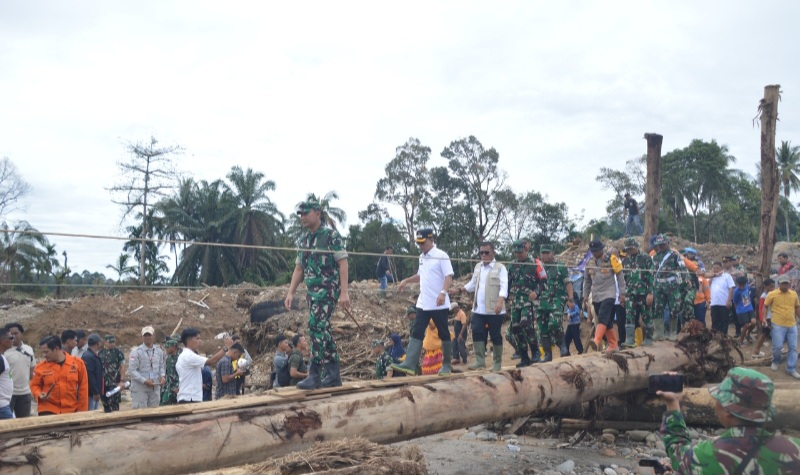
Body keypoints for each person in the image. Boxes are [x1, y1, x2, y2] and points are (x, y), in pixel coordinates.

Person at [658, 367, 800, 474]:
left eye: (719, 399)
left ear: (727, 410)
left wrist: (672, 403)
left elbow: (677, 452)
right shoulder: (795, 449)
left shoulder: (706, 455)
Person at [284, 197, 350, 390]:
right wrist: (290, 293)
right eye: (300, 214)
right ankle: (333, 374)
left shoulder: (330, 236)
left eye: (306, 213)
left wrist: (344, 292)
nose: (303, 217)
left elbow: (343, 262)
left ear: (318, 214)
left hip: (328, 290)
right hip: (312, 292)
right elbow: (299, 269)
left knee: (314, 327)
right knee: (323, 330)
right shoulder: (304, 240)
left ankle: (315, 374)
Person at [392, 228, 455, 375]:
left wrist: (443, 293)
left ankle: (446, 365)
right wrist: (406, 281)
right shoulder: (422, 257)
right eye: (419, 244)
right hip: (423, 303)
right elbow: (420, 276)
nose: (421, 246)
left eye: (423, 243)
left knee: (444, 333)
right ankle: (410, 363)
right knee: (417, 331)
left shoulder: (441, 255)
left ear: (431, 240)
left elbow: (448, 276)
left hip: (438, 304)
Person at [459, 242, 508, 370]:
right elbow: (472, 284)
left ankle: (497, 363)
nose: (484, 255)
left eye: (487, 252)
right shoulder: (478, 267)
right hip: (478, 310)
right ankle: (480, 361)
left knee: (495, 335)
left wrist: (500, 300)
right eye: (481, 253)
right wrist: (459, 290)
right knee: (477, 333)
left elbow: (504, 286)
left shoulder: (500, 267)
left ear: (493, 253)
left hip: (494, 310)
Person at [583, 240, 626, 352]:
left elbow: (620, 277)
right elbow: (587, 281)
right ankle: (613, 344)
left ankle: (596, 340)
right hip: (596, 295)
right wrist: (585, 296)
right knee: (606, 321)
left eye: (596, 251)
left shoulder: (612, 259)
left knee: (602, 316)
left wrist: (622, 294)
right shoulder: (589, 262)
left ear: (601, 249)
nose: (594, 253)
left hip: (609, 293)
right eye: (592, 251)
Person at [30, 335, 89, 415]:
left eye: (46, 352)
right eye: (43, 352)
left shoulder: (77, 364)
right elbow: (34, 385)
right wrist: (39, 394)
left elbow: (83, 389)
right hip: (48, 409)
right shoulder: (40, 368)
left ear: (57, 349)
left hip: (70, 410)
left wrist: (82, 413)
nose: (44, 355)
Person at [176, 328, 233, 403]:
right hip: (190, 398)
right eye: (197, 338)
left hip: (188, 397)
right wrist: (226, 348)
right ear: (189, 342)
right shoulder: (188, 356)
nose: (200, 341)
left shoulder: (185, 355)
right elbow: (211, 361)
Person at [538, 244, 573, 359]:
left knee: (554, 323)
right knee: (543, 328)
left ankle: (562, 345)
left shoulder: (560, 267)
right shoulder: (538, 267)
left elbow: (568, 283)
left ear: (552, 253)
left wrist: (570, 299)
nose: (545, 255)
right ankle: (548, 354)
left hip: (557, 299)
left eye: (547, 253)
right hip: (542, 301)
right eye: (543, 253)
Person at [763, 275, 800, 379]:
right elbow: (765, 307)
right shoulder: (772, 294)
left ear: (789, 284)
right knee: (777, 346)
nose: (784, 285)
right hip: (778, 324)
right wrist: (764, 318)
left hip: (792, 324)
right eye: (782, 283)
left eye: (786, 283)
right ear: (778, 284)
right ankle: (776, 361)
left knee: (793, 347)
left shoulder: (793, 294)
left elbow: (797, 307)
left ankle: (791, 368)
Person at [651, 234, 687, 340]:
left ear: (667, 243)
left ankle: (673, 332)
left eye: (662, 244)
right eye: (659, 244)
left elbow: (683, 268)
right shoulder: (655, 256)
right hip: (658, 285)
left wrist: (686, 278)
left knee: (674, 308)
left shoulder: (675, 255)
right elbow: (652, 271)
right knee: (657, 308)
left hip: (672, 285)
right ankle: (659, 333)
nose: (661, 246)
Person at [621, 238, 654, 346]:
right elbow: (622, 279)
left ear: (636, 247)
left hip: (643, 293)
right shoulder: (625, 261)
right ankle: (630, 339)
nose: (630, 250)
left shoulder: (646, 258)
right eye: (628, 249)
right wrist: (622, 294)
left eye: (631, 248)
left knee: (646, 316)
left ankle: (649, 338)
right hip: (630, 293)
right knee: (629, 315)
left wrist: (650, 293)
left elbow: (651, 276)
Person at [129, 325, 165, 409]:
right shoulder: (136, 352)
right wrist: (144, 381)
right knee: (140, 412)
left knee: (154, 412)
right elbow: (132, 371)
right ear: (142, 337)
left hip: (154, 387)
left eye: (149, 335)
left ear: (154, 336)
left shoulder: (158, 351)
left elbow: (161, 366)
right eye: (145, 335)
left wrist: (162, 376)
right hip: (140, 389)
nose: (147, 337)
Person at [4, 322, 35, 417]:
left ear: (21, 333)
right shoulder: (5, 352)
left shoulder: (29, 350)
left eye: (16, 333)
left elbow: (32, 370)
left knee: (24, 422)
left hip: (25, 393)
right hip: (9, 395)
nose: (14, 336)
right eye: (11, 334)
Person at [99, 334, 126, 412]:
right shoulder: (100, 353)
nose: (112, 344)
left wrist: (122, 381)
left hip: (115, 384)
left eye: (113, 342)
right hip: (104, 384)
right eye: (110, 342)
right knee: (105, 406)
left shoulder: (118, 353)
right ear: (104, 342)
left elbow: (122, 367)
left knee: (115, 406)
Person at [708, 261, 735, 334]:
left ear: (721, 268)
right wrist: (712, 276)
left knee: (724, 321)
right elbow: (707, 286)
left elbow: (731, 288)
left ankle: (723, 337)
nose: (715, 270)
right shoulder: (712, 277)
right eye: (714, 268)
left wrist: (729, 300)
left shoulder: (726, 276)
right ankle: (714, 337)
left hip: (724, 303)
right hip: (714, 303)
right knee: (714, 321)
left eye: (717, 268)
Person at [752, 278, 775, 359]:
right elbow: (761, 309)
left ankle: (757, 351)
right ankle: (756, 351)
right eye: (771, 287)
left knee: (766, 334)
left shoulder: (774, 294)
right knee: (764, 334)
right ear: (766, 287)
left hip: (772, 317)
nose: (773, 288)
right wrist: (762, 319)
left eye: (773, 286)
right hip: (767, 318)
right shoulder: (764, 296)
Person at [81, 333, 104, 410]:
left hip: (94, 392)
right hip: (91, 394)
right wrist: (95, 392)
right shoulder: (88, 356)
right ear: (97, 343)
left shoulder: (92, 355)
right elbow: (90, 375)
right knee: (91, 415)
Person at [733, 276, 757, 346]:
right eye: (740, 285)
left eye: (743, 285)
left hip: (749, 308)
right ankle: (741, 340)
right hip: (741, 310)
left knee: (753, 322)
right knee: (746, 325)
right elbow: (735, 302)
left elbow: (748, 287)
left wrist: (752, 284)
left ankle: (748, 334)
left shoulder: (746, 286)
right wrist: (737, 310)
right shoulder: (736, 291)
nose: (742, 287)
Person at [160, 337, 181, 406]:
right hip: (168, 386)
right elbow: (167, 372)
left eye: (167, 347)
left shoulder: (180, 358)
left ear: (173, 347)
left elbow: (181, 374)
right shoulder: (168, 358)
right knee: (163, 403)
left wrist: (178, 386)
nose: (166, 348)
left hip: (177, 386)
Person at [0, 325, 15, 419]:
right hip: (1, 407)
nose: (13, 339)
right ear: (2, 340)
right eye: (11, 337)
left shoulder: (2, 356)